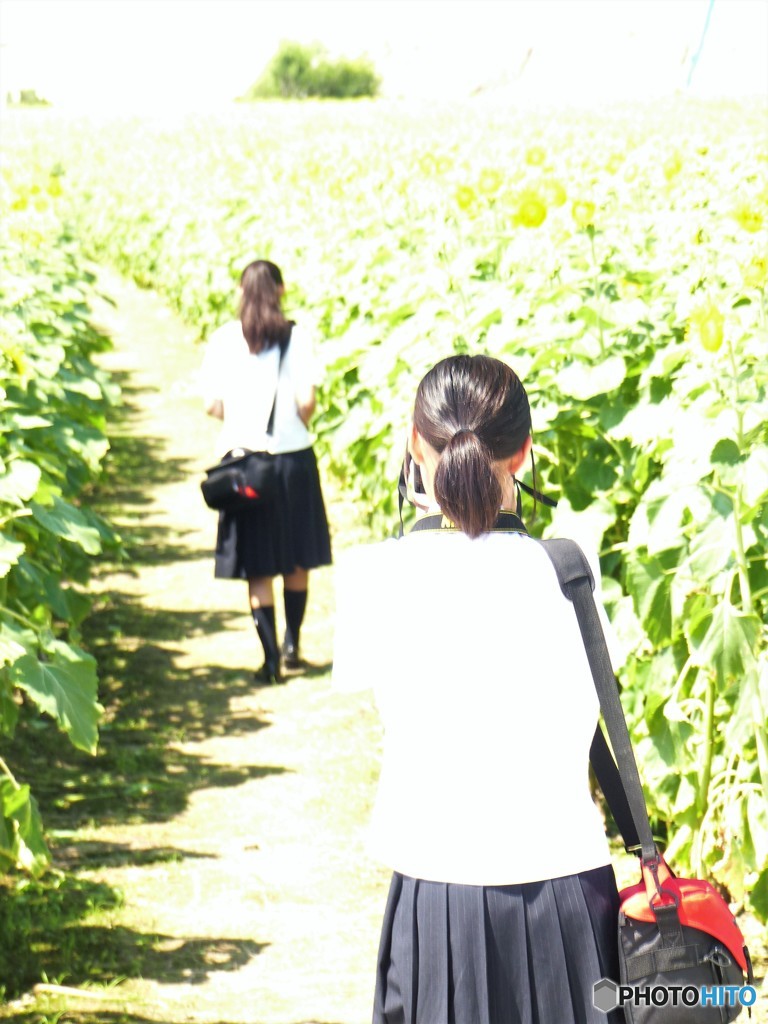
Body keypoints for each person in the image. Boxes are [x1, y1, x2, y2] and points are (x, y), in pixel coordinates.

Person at [333, 354, 621, 1023]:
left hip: (439, 893)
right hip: (573, 890)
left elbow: (360, 676)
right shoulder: (574, 567)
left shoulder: (372, 576)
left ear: (414, 443)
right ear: (522, 453)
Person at [201, 259, 332, 684]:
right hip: (292, 460)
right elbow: (307, 400)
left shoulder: (224, 339)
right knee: (297, 555)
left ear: (242, 291)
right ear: (280, 290)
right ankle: (294, 645)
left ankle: (271, 659)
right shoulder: (296, 337)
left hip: (246, 467)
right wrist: (297, 421)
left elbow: (212, 406)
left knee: (258, 564)